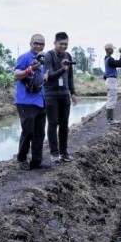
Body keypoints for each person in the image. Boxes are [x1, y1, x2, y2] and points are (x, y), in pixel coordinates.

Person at [13, 34, 50, 171]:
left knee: (40, 132)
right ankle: (22, 159)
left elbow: (40, 80)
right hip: (25, 101)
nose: (38, 46)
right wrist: (30, 69)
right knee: (28, 132)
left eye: (41, 44)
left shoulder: (43, 60)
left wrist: (45, 77)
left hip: (40, 100)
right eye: (36, 43)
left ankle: (37, 161)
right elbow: (16, 75)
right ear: (30, 43)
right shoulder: (25, 57)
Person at [43, 31, 77, 163]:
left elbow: (70, 77)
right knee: (53, 123)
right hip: (51, 95)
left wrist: (72, 93)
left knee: (64, 124)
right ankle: (54, 153)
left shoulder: (68, 55)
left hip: (64, 95)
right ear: (55, 43)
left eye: (66, 44)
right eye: (61, 44)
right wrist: (63, 68)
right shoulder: (49, 56)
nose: (63, 46)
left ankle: (64, 152)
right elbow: (49, 76)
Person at [102, 43, 121, 124]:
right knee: (112, 98)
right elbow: (120, 64)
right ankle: (110, 119)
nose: (113, 50)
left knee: (110, 98)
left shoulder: (106, 59)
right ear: (108, 49)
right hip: (111, 80)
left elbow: (105, 74)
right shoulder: (110, 59)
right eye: (112, 49)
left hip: (109, 80)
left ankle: (110, 118)